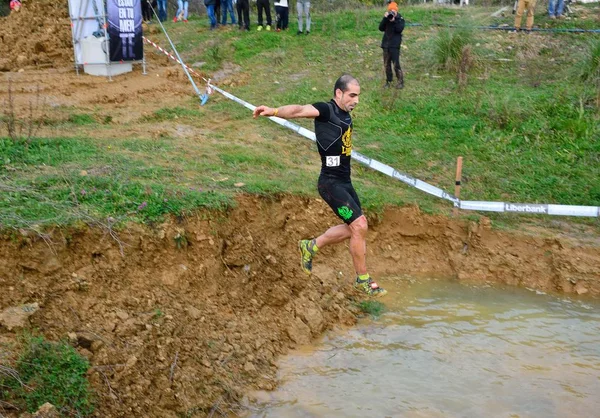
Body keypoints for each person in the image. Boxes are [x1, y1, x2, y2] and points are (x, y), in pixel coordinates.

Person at [252, 74, 387, 297]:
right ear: (339, 93)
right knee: (360, 225)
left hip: (345, 182)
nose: (356, 100)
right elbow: (298, 110)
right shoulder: (326, 110)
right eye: (352, 95)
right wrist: (274, 111)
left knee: (354, 228)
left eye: (358, 96)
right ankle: (363, 281)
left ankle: (311, 246)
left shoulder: (345, 114)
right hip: (330, 183)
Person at [379, 1, 405, 89]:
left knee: (396, 64)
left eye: (394, 11)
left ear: (396, 10)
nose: (392, 12)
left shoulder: (400, 18)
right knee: (386, 65)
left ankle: (400, 82)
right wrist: (385, 18)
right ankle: (388, 81)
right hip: (386, 44)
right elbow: (380, 28)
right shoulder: (387, 18)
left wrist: (394, 21)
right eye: (391, 10)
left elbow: (399, 29)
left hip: (394, 45)